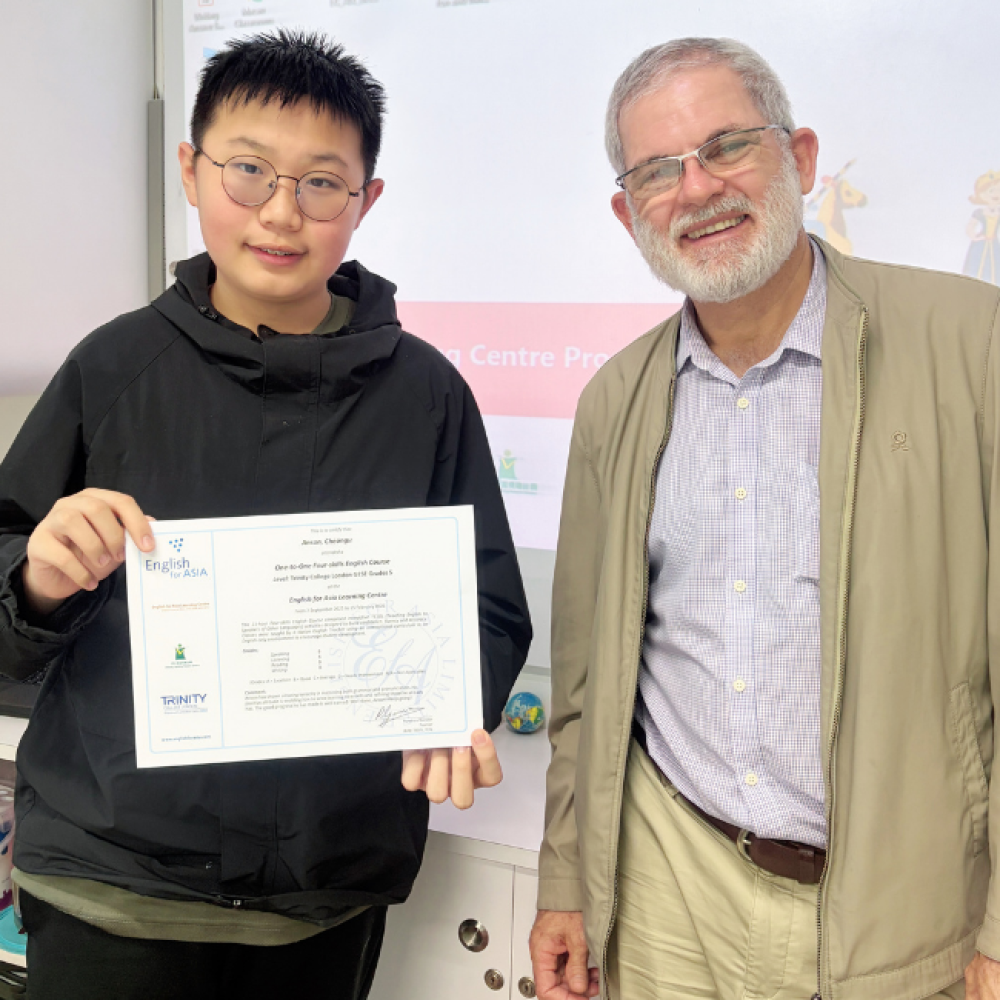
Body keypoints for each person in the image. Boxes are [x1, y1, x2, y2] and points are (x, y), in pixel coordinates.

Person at [0, 31, 531, 1000]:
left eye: (322, 183)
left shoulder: (425, 394)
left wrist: (451, 699)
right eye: (248, 170)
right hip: (110, 886)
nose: (282, 212)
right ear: (191, 169)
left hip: (322, 892)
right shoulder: (111, 369)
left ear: (366, 200)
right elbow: (7, 599)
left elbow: (488, 607)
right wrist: (37, 578)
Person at [529, 37, 998, 1000]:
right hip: (671, 892)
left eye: (728, 146)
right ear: (628, 213)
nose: (697, 189)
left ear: (802, 157)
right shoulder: (615, 401)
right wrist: (567, 880)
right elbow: (582, 684)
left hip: (911, 904)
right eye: (658, 171)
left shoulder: (971, 345)